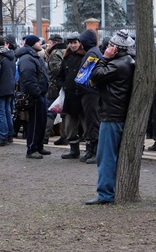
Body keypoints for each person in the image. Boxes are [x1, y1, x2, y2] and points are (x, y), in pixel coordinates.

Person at [85, 30, 135, 205]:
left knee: (105, 156)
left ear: (114, 48)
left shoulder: (116, 65)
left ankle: (105, 193)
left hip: (112, 115)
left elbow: (95, 75)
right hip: (119, 113)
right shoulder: (128, 62)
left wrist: (104, 57)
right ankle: (109, 191)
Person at [16, 35, 50, 159]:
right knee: (35, 122)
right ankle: (32, 148)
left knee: (41, 122)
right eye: (37, 42)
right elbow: (28, 78)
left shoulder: (34, 56)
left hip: (40, 94)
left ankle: (38, 146)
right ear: (32, 44)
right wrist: (36, 92)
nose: (40, 43)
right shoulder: (27, 58)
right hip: (34, 96)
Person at [57, 32, 86, 157]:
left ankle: (92, 150)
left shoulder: (84, 56)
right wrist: (63, 85)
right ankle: (74, 150)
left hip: (83, 96)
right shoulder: (67, 57)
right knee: (70, 126)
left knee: (88, 125)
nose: (72, 45)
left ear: (80, 43)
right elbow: (60, 76)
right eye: (70, 43)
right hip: (70, 96)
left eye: (75, 43)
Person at [75, 29, 102, 163]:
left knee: (93, 122)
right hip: (90, 92)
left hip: (90, 93)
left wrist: (79, 88)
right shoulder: (93, 52)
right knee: (91, 122)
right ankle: (91, 150)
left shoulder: (92, 53)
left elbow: (83, 75)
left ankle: (96, 152)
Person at [44, 33, 67, 144]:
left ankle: (44, 136)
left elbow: (56, 70)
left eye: (50, 42)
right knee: (65, 112)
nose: (48, 44)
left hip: (54, 87)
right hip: (64, 86)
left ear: (55, 43)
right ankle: (65, 136)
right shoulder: (66, 51)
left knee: (50, 111)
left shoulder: (55, 53)